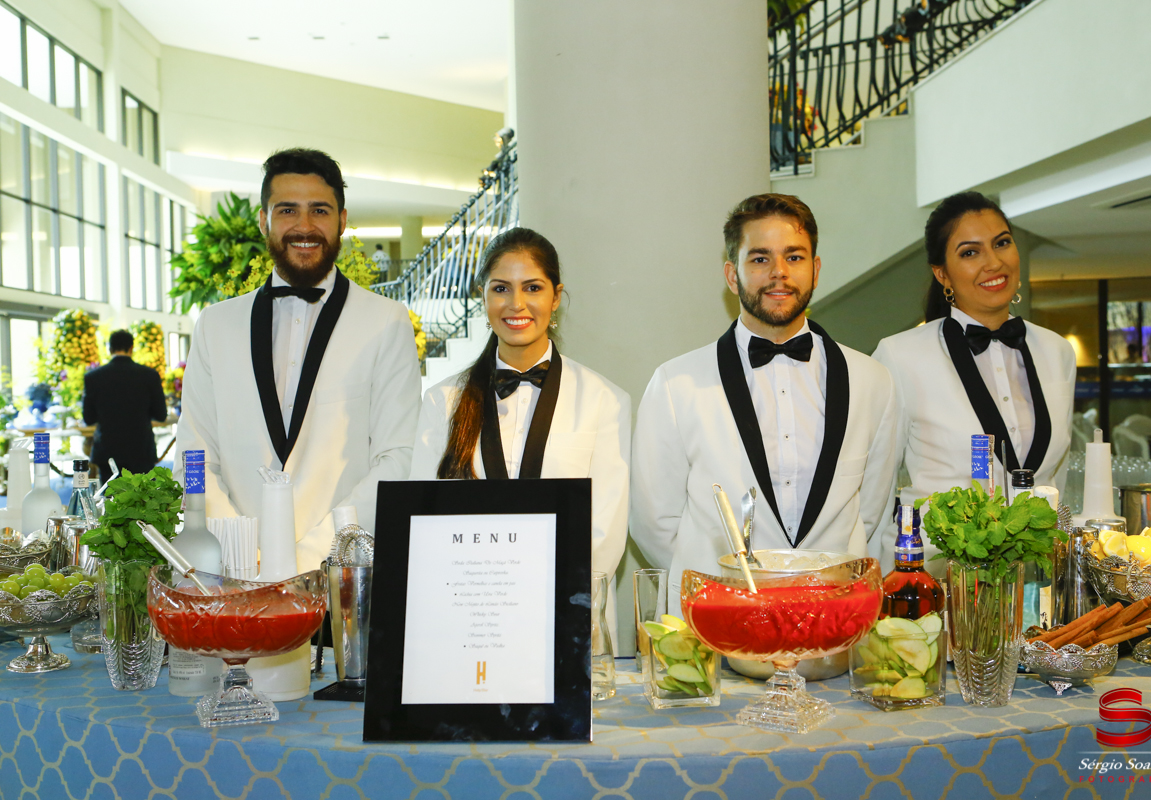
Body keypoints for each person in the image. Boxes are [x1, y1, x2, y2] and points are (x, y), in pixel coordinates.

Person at [630, 193, 897, 610]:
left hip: (832, 618)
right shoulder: (673, 384)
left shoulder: (872, 380)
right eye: (759, 259)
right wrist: (723, 592)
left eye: (794, 257)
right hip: (720, 618)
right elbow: (654, 523)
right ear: (732, 275)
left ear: (815, 269)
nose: (779, 273)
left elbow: (871, 511)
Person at [175, 148, 421, 571]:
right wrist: (240, 552)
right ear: (263, 220)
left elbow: (398, 458)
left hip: (341, 574)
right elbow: (194, 457)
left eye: (320, 210)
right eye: (287, 210)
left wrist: (309, 558)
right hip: (236, 573)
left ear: (342, 220)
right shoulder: (215, 325)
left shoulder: (386, 321)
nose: (304, 226)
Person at [410, 227, 630, 633]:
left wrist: (540, 602)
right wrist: (487, 600)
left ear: (556, 297)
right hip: (470, 617)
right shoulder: (442, 401)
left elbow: (604, 533)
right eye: (501, 289)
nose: (516, 304)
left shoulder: (605, 400)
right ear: (482, 296)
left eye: (532, 287)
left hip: (569, 616)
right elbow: (426, 520)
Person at [871, 191, 1076, 571]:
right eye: (970, 252)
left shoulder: (1057, 352)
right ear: (942, 274)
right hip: (937, 574)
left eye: (1002, 243)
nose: (993, 262)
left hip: (1034, 580)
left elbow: (1055, 479)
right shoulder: (900, 356)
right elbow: (875, 491)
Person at [83, 330, 169, 483]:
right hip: (141, 450)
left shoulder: (93, 377)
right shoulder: (149, 375)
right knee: (143, 495)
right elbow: (161, 415)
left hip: (108, 451)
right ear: (131, 348)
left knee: (110, 496)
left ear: (110, 349)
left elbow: (88, 418)